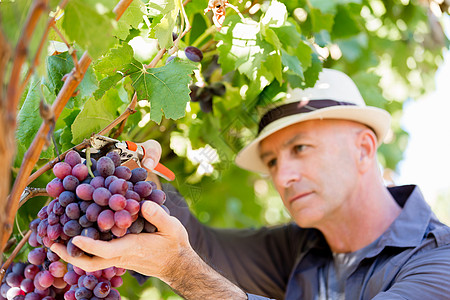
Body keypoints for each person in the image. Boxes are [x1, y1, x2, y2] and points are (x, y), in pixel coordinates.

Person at [51, 69, 450, 299]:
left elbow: (188, 263)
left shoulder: (439, 263)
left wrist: (178, 270)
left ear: (364, 149)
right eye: (273, 160)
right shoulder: (299, 246)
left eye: (301, 148)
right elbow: (199, 248)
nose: (282, 176)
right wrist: (135, 171)